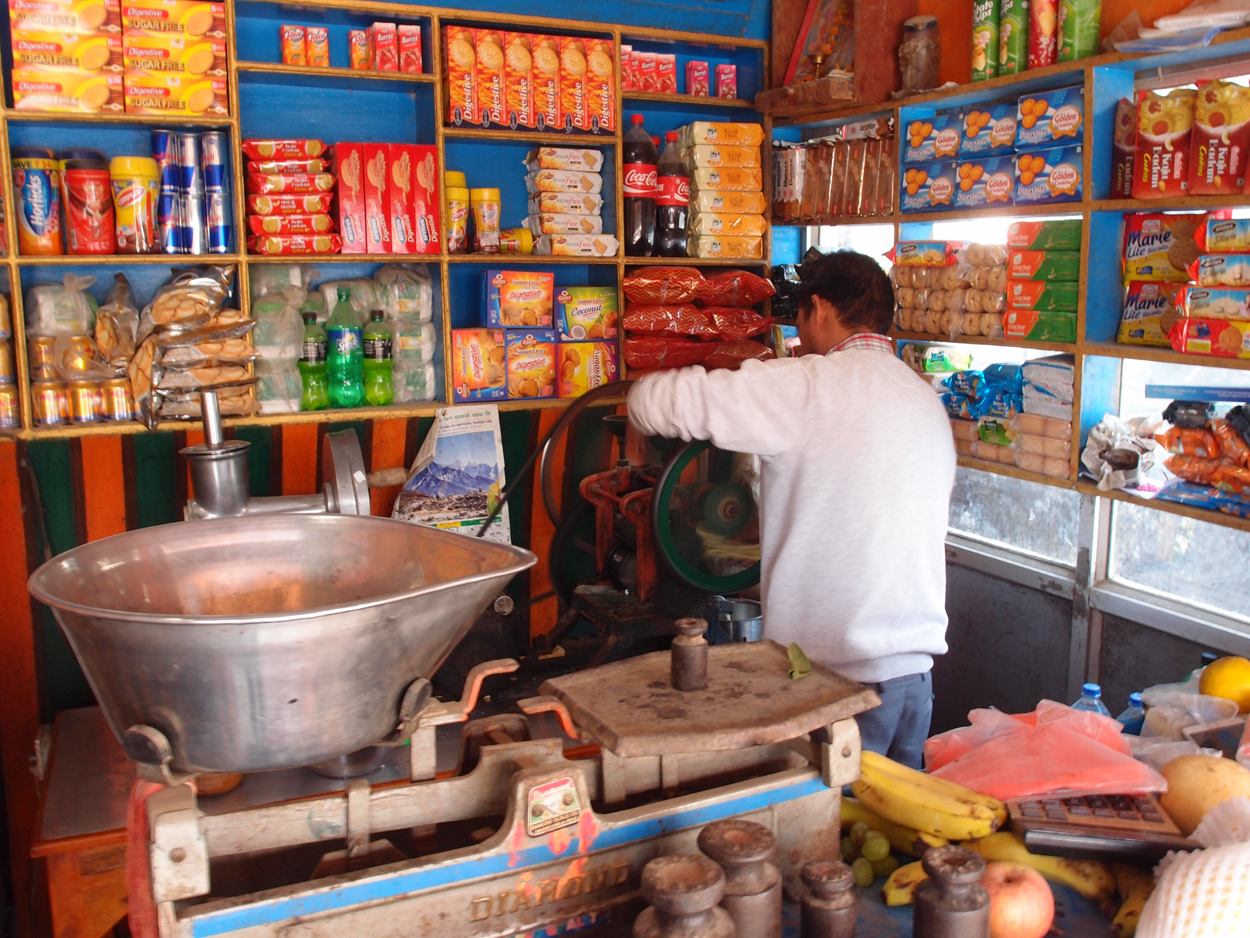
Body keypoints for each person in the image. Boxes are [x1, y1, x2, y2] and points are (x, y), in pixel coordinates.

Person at [627, 250, 956, 768]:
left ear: (819, 309)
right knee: (885, 839)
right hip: (915, 680)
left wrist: (636, 405)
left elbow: (664, 400)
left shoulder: (806, 384)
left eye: (799, 317)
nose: (799, 335)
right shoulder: (923, 398)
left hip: (836, 681)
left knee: (820, 836)